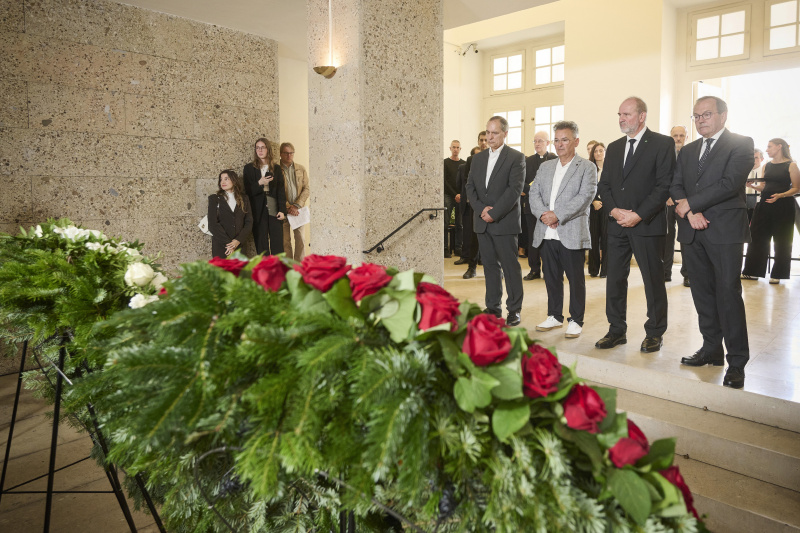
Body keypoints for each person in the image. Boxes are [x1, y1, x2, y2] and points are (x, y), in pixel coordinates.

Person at [671, 96, 754, 389]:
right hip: (693, 230)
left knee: (727, 294)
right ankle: (711, 349)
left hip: (724, 231)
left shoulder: (741, 144)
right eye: (696, 116)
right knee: (702, 293)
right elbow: (676, 182)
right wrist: (691, 212)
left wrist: (690, 205)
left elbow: (730, 183)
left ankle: (737, 362)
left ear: (723, 115)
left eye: (706, 114)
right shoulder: (689, 150)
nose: (701, 120)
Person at [596, 97, 674, 353]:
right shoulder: (615, 147)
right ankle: (616, 330)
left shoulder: (662, 143)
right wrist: (614, 210)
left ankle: (654, 332)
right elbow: (604, 185)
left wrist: (638, 214)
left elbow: (664, 186)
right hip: (617, 224)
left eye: (627, 114)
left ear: (642, 116)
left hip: (646, 224)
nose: (621, 118)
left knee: (652, 280)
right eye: (619, 114)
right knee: (615, 280)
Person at [530, 121, 596, 338]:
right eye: (556, 140)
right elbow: (534, 194)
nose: (559, 144)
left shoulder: (587, 167)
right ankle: (554, 316)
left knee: (575, 279)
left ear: (576, 141)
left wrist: (557, 214)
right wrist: (543, 215)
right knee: (551, 277)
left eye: (564, 139)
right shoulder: (545, 167)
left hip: (571, 231)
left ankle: (576, 319)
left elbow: (585, 197)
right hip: (547, 231)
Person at [466, 116, 526, 326]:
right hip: (482, 222)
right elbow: (470, 187)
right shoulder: (478, 159)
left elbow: (514, 190)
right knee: (490, 267)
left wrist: (494, 212)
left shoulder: (516, 158)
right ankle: (493, 307)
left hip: (504, 222)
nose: (490, 137)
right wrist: (482, 210)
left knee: (510, 267)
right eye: (488, 133)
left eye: (495, 133)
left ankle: (514, 309)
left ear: (505, 134)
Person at [741, 139, 800, 284]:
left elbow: (797, 188)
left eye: (769, 147)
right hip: (764, 206)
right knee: (757, 238)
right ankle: (753, 272)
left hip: (783, 207)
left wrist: (780, 195)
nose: (766, 150)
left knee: (782, 240)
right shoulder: (766, 165)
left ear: (779, 147)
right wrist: (753, 186)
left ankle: (778, 274)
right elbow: (764, 187)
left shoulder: (791, 165)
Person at [523, 131, 557, 280]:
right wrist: (534, 191)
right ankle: (534, 269)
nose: (537, 144)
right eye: (535, 141)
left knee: (550, 239)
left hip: (551, 207)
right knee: (533, 239)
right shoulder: (527, 161)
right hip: (531, 206)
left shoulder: (555, 159)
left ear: (548, 143)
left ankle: (551, 270)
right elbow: (521, 182)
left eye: (540, 141)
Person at [243, 138, 286, 255]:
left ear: (268, 149)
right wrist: (259, 183)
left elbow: (281, 191)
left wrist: (282, 210)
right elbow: (247, 191)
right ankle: (265, 270)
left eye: (263, 147)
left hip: (274, 207)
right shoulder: (249, 168)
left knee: (277, 241)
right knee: (261, 242)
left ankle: (278, 270)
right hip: (257, 208)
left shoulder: (276, 168)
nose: (260, 150)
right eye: (257, 148)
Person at [457, 132, 489, 278]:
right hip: (476, 205)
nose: (483, 142)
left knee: (494, 238)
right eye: (481, 140)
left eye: (485, 140)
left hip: (493, 205)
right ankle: (472, 267)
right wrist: (477, 203)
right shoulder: (472, 159)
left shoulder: (497, 157)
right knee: (473, 237)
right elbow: (467, 182)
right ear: (478, 141)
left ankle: (496, 268)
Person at [664, 126, 690, 286]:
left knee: (686, 239)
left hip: (686, 203)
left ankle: (688, 274)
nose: (678, 138)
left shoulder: (691, 154)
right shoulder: (664, 154)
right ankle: (665, 272)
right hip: (667, 202)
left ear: (686, 137)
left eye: (681, 135)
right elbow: (660, 176)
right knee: (666, 239)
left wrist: (684, 200)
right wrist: (666, 195)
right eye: (675, 135)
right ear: (671, 137)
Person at [208, 169, 253, 258]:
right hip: (221, 246)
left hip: (239, 245)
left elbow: (249, 222)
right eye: (221, 179)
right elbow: (212, 224)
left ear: (234, 180)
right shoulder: (214, 199)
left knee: (239, 272)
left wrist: (237, 241)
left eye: (226, 179)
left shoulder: (244, 198)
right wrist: (229, 244)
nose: (222, 182)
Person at [279, 142, 310, 261]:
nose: (289, 155)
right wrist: (287, 206)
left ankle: (299, 268)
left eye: (291, 153)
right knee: (285, 241)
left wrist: (297, 206)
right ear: (281, 154)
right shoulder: (276, 169)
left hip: (298, 210)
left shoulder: (301, 169)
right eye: (286, 153)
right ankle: (288, 268)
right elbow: (275, 191)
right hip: (284, 210)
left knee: (301, 240)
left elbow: (306, 189)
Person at [587, 142, 607, 277]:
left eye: (601, 151)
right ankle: (593, 269)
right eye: (596, 151)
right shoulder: (589, 169)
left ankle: (605, 270)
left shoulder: (610, 168)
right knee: (593, 239)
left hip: (607, 207)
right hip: (593, 207)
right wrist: (593, 201)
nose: (598, 153)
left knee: (606, 239)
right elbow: (586, 188)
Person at [444, 140, 464, 258]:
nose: (455, 149)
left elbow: (465, 181)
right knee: (445, 223)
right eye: (453, 147)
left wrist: (460, 194)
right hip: (448, 196)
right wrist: (454, 194)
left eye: (457, 147)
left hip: (460, 197)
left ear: (460, 149)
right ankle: (445, 248)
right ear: (450, 148)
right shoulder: (445, 162)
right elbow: (445, 181)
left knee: (459, 224)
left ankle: (458, 248)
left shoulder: (464, 164)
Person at [745, 148, 765, 221]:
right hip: (743, 207)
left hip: (761, 207)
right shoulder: (741, 172)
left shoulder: (766, 172)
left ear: (762, 159)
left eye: (756, 158)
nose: (753, 160)